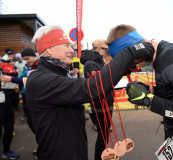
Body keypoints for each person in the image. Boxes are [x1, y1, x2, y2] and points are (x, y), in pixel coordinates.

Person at [25, 25, 154, 160]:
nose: (71, 50)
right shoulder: (40, 80)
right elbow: (91, 88)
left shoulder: (59, 75)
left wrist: (125, 68)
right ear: (49, 49)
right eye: (67, 45)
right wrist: (130, 53)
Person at [105, 24, 173, 160]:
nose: (131, 67)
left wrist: (148, 100)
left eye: (129, 61)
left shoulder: (172, 58)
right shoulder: (161, 57)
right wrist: (147, 90)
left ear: (135, 49)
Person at [0, 48, 39, 156]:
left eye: (27, 58)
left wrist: (12, 84)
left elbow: (31, 81)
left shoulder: (39, 65)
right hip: (7, 103)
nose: (26, 61)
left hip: (9, 103)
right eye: (24, 59)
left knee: (10, 129)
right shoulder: (32, 66)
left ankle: (6, 151)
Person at [81, 39, 113, 160]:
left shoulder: (98, 61)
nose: (106, 53)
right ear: (99, 49)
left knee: (104, 136)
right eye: (105, 50)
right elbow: (100, 84)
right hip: (100, 105)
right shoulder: (90, 64)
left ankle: (102, 156)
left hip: (106, 102)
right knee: (103, 136)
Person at [0, 63, 19, 159]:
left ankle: (6, 151)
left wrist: (14, 91)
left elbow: (9, 88)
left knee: (9, 129)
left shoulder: (3, 72)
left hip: (7, 104)